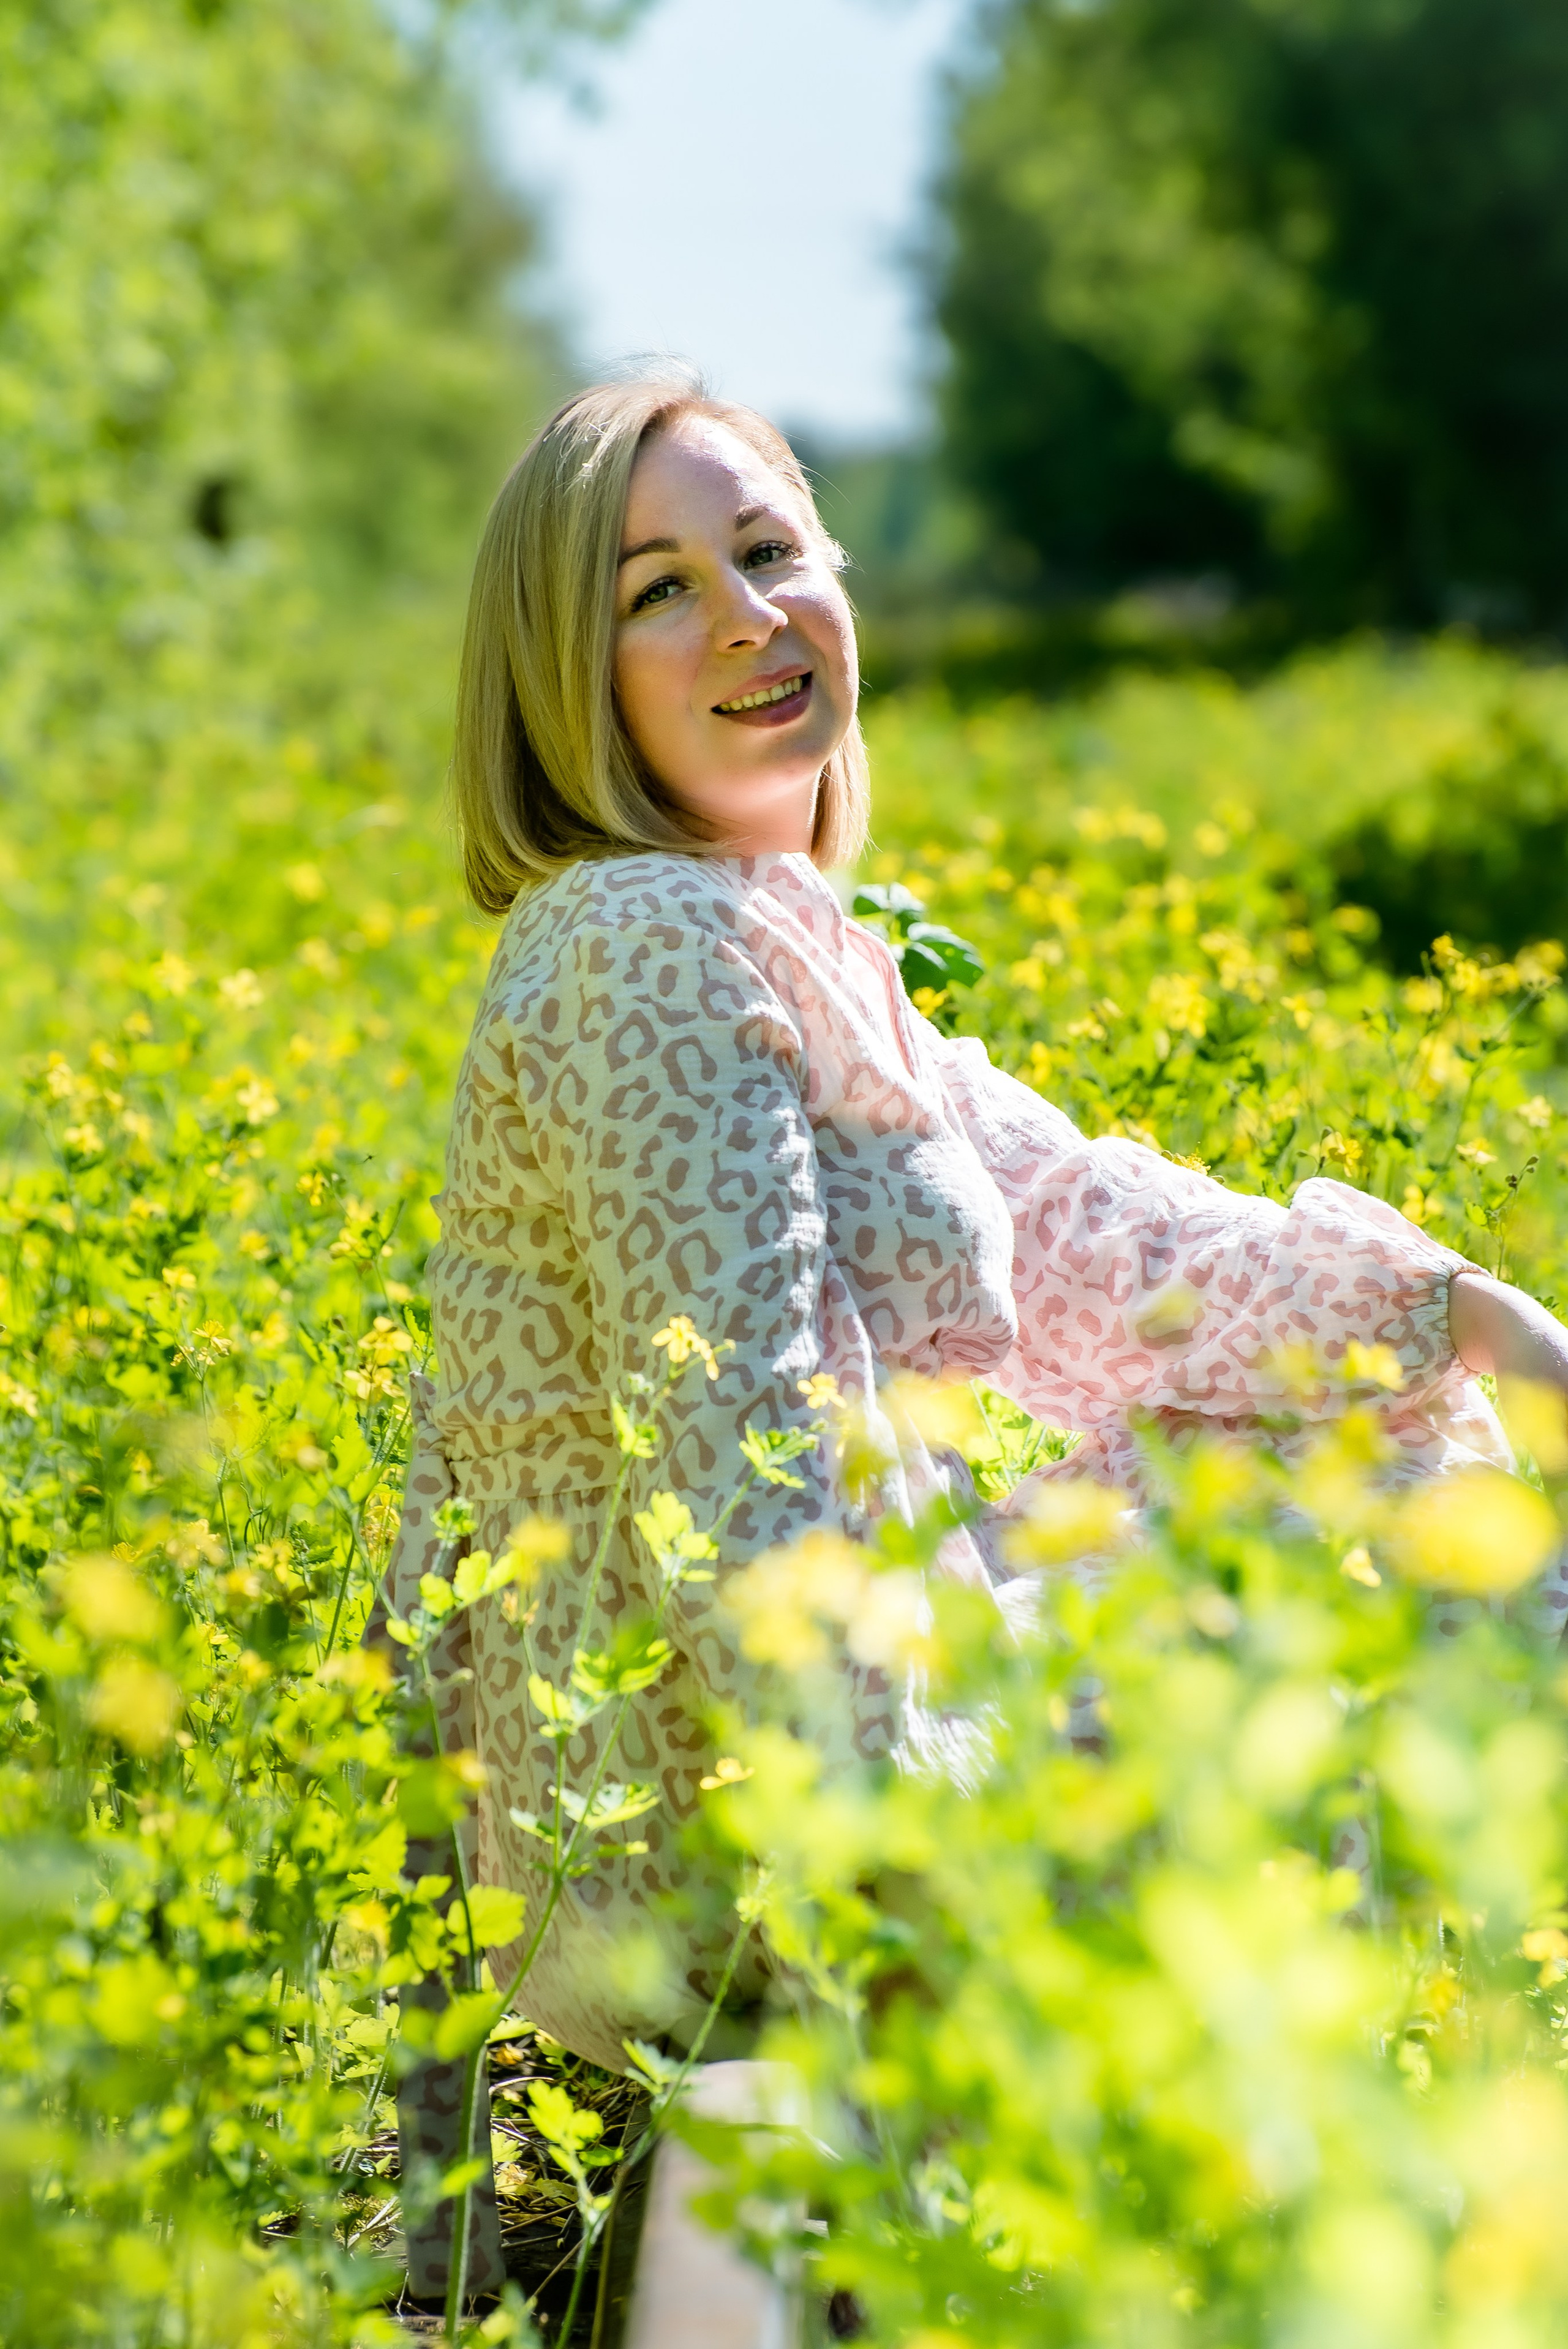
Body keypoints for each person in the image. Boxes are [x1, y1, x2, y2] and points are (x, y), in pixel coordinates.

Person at [386, 368, 1568, 2299]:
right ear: (559, 678)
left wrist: (1452, 1311)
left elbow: (1080, 1220)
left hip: (810, 1729)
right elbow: (746, 1471)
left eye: (768, 551)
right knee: (1390, 1591)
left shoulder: (767, 927)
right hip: (719, 1822)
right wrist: (896, 1868)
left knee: (1375, 1497)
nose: (749, 619)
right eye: (656, 590)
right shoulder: (647, 956)